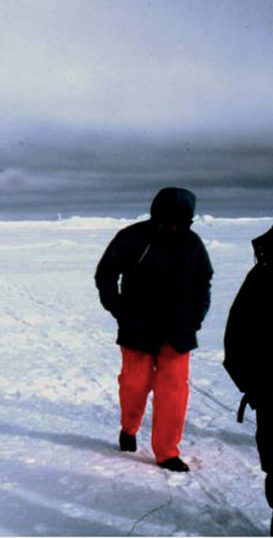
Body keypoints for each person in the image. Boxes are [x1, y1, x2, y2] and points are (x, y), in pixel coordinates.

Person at [94, 187, 213, 472]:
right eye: (169, 218)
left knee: (173, 392)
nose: (174, 225)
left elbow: (203, 282)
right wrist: (120, 310)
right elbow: (106, 274)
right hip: (138, 327)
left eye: (181, 219)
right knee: (135, 385)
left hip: (178, 331)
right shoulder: (132, 237)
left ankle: (167, 451)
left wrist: (195, 318)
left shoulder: (192, 243)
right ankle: (129, 427)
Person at [223, 181, 273, 536]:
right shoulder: (271, 275)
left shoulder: (266, 273)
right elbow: (238, 346)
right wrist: (265, 389)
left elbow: (237, 347)